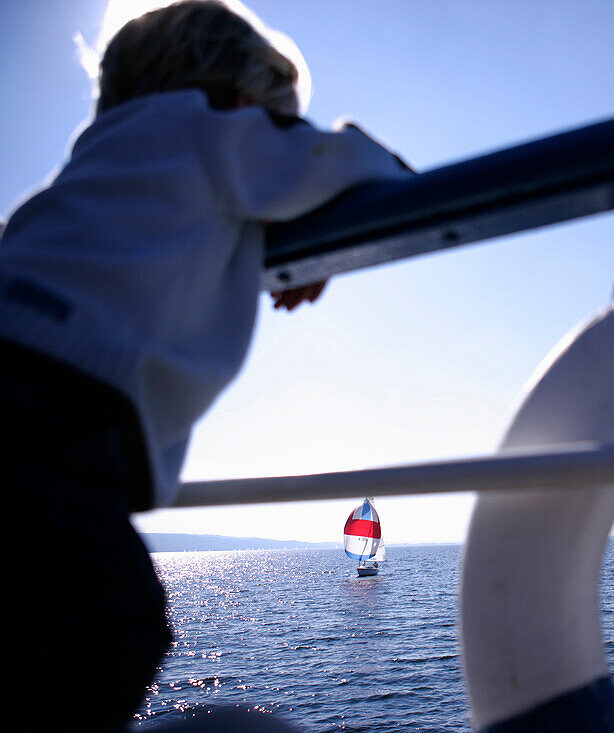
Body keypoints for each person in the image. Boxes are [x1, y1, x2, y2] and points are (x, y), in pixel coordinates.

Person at [0, 1, 412, 729]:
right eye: (276, 116)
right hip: (52, 413)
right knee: (110, 616)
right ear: (244, 98)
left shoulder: (90, 168)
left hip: (30, 386)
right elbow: (361, 165)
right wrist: (320, 225)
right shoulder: (213, 131)